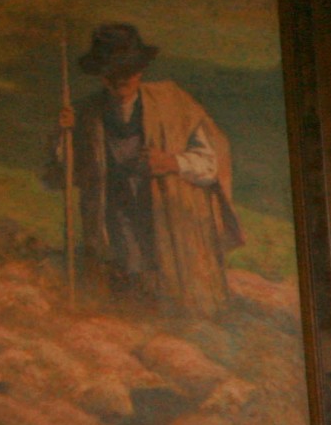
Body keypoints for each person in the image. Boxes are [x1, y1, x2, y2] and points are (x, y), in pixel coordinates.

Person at [46, 23, 243, 316]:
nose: (121, 79)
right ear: (101, 74)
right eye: (112, 72)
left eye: (128, 69)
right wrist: (64, 136)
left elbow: (212, 163)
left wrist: (172, 162)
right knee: (122, 309)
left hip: (169, 230)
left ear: (140, 70)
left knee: (173, 311)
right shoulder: (86, 115)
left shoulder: (174, 104)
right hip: (114, 233)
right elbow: (66, 174)